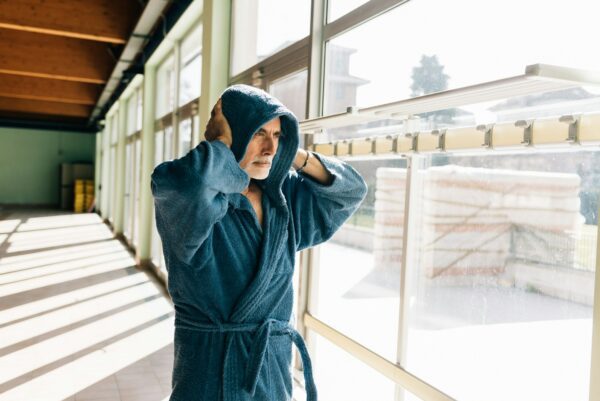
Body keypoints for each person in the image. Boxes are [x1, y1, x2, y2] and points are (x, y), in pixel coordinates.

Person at [151, 84, 367, 401]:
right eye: (257, 134)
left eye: (277, 136)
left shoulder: (284, 197)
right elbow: (190, 183)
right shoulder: (187, 194)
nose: (269, 148)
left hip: (271, 369)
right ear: (230, 135)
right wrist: (220, 145)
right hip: (209, 369)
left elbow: (350, 191)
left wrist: (291, 153)